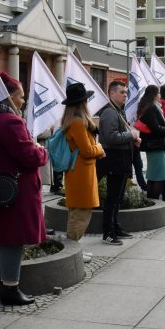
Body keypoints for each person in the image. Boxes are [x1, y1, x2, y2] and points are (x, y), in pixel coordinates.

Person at [0, 70, 48, 306]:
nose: (23, 100)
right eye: (20, 96)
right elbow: (30, 155)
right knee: (13, 238)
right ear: (8, 96)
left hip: (4, 187)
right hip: (18, 191)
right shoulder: (10, 121)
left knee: (4, 237)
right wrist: (42, 151)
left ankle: (4, 282)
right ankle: (10, 287)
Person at [61, 82, 105, 242]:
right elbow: (87, 151)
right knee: (80, 214)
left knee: (77, 213)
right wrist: (99, 148)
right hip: (80, 174)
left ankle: (74, 248)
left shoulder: (75, 121)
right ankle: (72, 248)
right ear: (82, 103)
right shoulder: (77, 123)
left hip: (79, 172)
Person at [97, 80, 138, 245]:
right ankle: (108, 232)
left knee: (118, 197)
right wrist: (132, 136)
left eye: (126, 92)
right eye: (122, 92)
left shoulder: (118, 111)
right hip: (113, 160)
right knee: (112, 198)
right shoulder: (109, 112)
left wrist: (133, 140)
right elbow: (111, 137)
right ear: (112, 93)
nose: (125, 95)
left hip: (121, 160)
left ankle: (116, 227)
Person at [136, 85, 165, 207]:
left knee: (156, 175)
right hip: (155, 146)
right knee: (157, 176)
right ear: (153, 94)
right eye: (158, 93)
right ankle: (154, 203)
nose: (160, 95)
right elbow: (156, 129)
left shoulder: (151, 107)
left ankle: (153, 201)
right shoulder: (151, 108)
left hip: (156, 146)